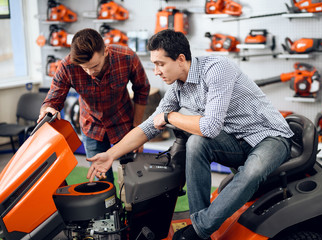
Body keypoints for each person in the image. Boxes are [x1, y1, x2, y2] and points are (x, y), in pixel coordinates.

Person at [86, 29, 293, 240]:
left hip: (269, 136)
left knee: (252, 172)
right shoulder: (177, 87)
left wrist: (170, 117)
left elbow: (210, 127)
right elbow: (149, 126)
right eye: (154, 65)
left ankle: (197, 231)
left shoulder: (217, 69)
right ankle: (200, 229)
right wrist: (110, 155)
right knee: (195, 142)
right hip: (235, 141)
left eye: (160, 64)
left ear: (181, 59)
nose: (156, 71)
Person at [38, 28, 150, 184]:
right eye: (85, 68)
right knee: (101, 182)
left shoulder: (126, 57)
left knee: (134, 178)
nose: (90, 72)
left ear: (105, 51)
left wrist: (137, 127)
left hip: (124, 123)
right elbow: (53, 99)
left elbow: (142, 88)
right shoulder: (67, 66)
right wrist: (48, 108)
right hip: (92, 126)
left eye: (94, 66)